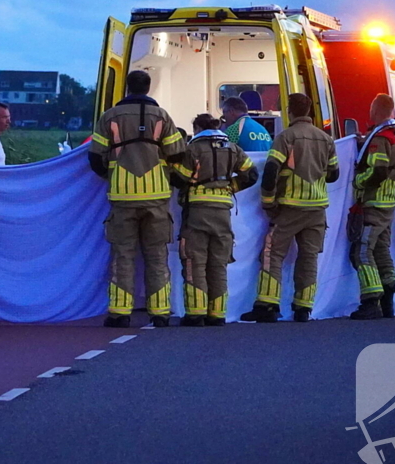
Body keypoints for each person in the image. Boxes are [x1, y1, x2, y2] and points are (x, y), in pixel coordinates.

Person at [89, 70, 185, 328]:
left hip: (122, 196)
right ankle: (160, 313)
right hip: (156, 197)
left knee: (123, 255)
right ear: (149, 87)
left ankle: (120, 313)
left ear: (127, 87)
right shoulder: (162, 116)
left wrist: (113, 176)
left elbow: (95, 157)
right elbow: (178, 154)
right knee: (156, 255)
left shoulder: (109, 116)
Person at [242, 93, 339, 323]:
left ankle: (268, 305)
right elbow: (334, 175)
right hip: (316, 209)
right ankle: (304, 308)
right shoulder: (325, 139)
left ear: (290, 111)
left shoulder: (286, 137)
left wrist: (268, 202)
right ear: (309, 111)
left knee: (272, 252)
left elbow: (271, 171)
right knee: (309, 257)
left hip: (290, 207)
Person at [171, 114, 258, 326]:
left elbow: (179, 178)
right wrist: (229, 187)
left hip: (197, 213)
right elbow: (252, 175)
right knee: (218, 264)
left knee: (194, 261)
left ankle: (196, 314)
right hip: (223, 213)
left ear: (198, 127)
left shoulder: (193, 148)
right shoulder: (233, 148)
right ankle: (217, 315)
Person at [348, 94, 395, 320]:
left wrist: (358, 181)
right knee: (381, 249)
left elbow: (378, 170)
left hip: (374, 203)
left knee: (361, 251)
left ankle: (371, 300)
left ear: (376, 110)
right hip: (388, 203)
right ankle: (388, 295)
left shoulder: (381, 138)